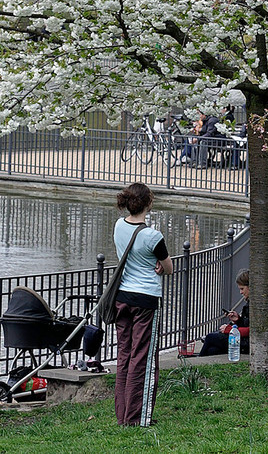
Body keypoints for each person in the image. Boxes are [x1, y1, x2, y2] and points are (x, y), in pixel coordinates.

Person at [112, 183, 173, 427]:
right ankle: (137, 418)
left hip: (122, 298)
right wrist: (158, 264)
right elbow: (168, 268)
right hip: (146, 300)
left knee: (124, 355)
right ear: (148, 203)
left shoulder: (118, 226)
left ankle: (123, 415)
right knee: (143, 358)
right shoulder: (153, 236)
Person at [199, 269, 250, 357]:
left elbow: (251, 330)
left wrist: (230, 330)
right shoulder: (249, 303)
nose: (241, 292)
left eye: (242, 289)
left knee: (210, 337)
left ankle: (197, 361)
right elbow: (247, 323)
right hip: (244, 340)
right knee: (212, 350)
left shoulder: (256, 305)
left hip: (246, 343)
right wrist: (238, 319)